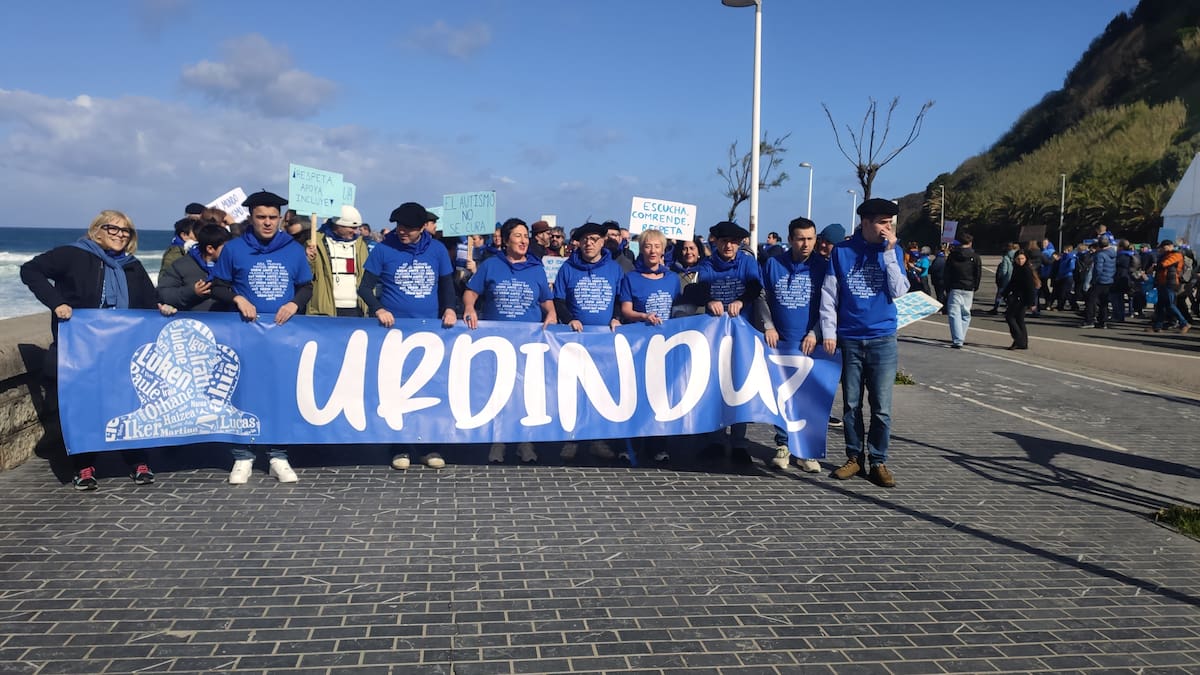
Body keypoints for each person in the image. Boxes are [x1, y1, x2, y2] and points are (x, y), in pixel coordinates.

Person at [20, 210, 169, 490]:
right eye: (113, 228)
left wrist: (160, 307)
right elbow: (30, 270)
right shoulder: (72, 255)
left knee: (129, 405)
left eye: (126, 231)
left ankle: (138, 461)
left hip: (122, 351)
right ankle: (84, 466)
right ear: (96, 230)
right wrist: (56, 302)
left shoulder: (132, 266)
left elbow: (149, 300)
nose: (120, 235)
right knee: (83, 407)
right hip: (80, 351)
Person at [210, 190, 313, 484]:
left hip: (282, 334)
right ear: (251, 218)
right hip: (245, 334)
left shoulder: (293, 249)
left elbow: (306, 286)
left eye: (272, 217)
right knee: (242, 392)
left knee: (280, 393)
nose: (267, 223)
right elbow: (218, 286)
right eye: (261, 217)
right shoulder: (234, 249)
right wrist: (237, 298)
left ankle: (278, 455)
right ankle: (242, 455)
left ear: (280, 219)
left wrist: (295, 303)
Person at [359, 201, 458, 471]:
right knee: (395, 388)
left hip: (430, 332)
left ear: (423, 227)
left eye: (409, 228)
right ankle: (399, 445)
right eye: (400, 226)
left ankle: (428, 447)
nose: (402, 231)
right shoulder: (384, 249)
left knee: (429, 389)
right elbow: (365, 288)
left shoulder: (437, 250)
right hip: (393, 333)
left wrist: (450, 308)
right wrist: (378, 308)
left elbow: (447, 285)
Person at [819, 198, 909, 488]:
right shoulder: (842, 252)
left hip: (883, 337)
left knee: (881, 406)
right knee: (851, 404)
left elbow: (900, 290)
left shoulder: (893, 250)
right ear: (866, 223)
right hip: (850, 337)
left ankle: (878, 460)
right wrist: (829, 332)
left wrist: (890, 253)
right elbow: (829, 294)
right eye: (882, 222)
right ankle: (854, 457)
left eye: (890, 223)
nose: (887, 228)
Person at [462, 218, 557, 464]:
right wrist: (469, 307)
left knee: (526, 393)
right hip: (497, 344)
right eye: (517, 236)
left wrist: (551, 313)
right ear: (505, 241)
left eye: (526, 236)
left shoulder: (536, 268)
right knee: (499, 392)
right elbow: (471, 292)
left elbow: (546, 301)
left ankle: (525, 442)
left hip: (528, 344)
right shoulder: (491, 265)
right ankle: (498, 441)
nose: (523, 240)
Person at [756, 217, 825, 473]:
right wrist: (768, 326)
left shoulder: (823, 267)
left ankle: (806, 451)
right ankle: (783, 445)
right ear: (790, 240)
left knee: (809, 399)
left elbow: (830, 304)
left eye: (810, 239)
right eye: (800, 239)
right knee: (782, 396)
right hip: (780, 342)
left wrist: (816, 332)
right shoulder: (774, 264)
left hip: (810, 343)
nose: (806, 244)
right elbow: (762, 297)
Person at [553, 221, 624, 462]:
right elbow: (558, 300)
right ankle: (571, 439)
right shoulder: (567, 268)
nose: (589, 243)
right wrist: (569, 319)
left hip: (604, 342)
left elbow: (621, 298)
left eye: (594, 239)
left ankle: (597, 439)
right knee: (573, 390)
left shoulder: (614, 269)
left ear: (603, 242)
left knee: (600, 390)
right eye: (584, 239)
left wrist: (616, 317)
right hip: (575, 340)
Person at [696, 221, 763, 465]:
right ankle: (715, 439)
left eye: (734, 242)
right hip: (715, 336)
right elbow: (700, 287)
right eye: (724, 241)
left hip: (741, 335)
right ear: (716, 242)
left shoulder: (747, 262)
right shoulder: (707, 265)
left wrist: (742, 300)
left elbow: (755, 287)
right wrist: (709, 299)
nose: (729, 246)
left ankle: (739, 443)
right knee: (716, 387)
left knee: (739, 387)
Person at [307, 205, 369, 318]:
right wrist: (309, 260)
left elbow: (365, 276)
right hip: (326, 309)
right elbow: (308, 275)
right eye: (352, 228)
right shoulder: (316, 243)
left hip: (356, 309)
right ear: (338, 225)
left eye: (357, 228)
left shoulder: (361, 245)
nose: (356, 232)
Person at [157, 223, 232, 312]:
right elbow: (163, 293)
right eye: (226, 248)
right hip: (192, 319)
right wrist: (192, 292)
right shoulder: (181, 266)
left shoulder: (231, 265)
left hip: (226, 319)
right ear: (210, 249)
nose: (230, 251)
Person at [944, 233, 981, 349]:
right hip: (969, 287)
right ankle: (960, 337)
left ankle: (958, 339)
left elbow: (947, 272)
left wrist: (947, 287)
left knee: (954, 313)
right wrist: (975, 286)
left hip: (955, 286)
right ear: (970, 243)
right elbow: (978, 273)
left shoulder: (953, 256)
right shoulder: (975, 256)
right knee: (965, 313)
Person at [1147, 239, 1191, 334]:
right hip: (1162, 282)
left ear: (1170, 246)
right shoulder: (1165, 255)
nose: (1162, 249)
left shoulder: (1176, 255)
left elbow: (1165, 264)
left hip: (1170, 282)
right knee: (1160, 305)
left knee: (1170, 304)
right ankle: (1157, 326)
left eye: (1164, 247)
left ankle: (1184, 323)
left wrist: (1154, 267)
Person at [1001, 249, 1037, 350]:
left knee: (1010, 317)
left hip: (1021, 298)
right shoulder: (1017, 268)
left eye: (1022, 259)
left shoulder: (1025, 270)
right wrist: (1004, 293)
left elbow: (1030, 287)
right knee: (1019, 320)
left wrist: (1032, 303)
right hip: (1017, 296)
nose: (1020, 261)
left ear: (1026, 259)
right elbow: (1012, 283)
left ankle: (1018, 339)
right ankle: (1023, 343)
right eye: (1018, 259)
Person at [1083, 237, 1116, 328]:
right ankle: (1102, 321)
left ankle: (1089, 320)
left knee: (1090, 299)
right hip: (1109, 279)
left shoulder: (1100, 255)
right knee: (1103, 301)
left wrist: (1093, 280)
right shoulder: (1113, 253)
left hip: (1100, 280)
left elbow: (1098, 269)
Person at [987, 243, 1017, 314]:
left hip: (1006, 279)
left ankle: (996, 308)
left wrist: (1000, 278)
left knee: (1000, 294)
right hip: (1014, 278)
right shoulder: (1017, 256)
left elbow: (1004, 271)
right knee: (1011, 294)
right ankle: (1010, 308)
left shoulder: (1006, 258)